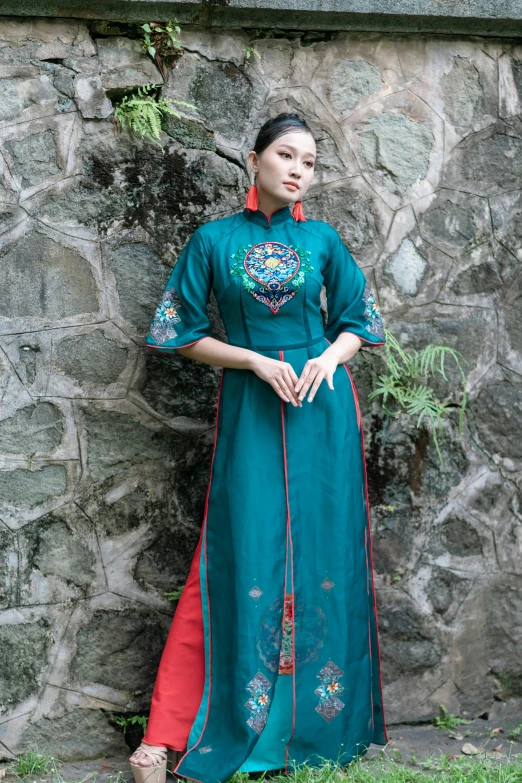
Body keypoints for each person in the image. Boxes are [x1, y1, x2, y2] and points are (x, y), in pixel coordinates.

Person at [129, 112, 389, 783]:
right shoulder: (213, 241)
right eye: (285, 154)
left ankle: (310, 724)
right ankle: (169, 734)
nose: (298, 169)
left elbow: (359, 318)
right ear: (254, 159)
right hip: (251, 410)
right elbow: (179, 332)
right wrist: (250, 359)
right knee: (235, 554)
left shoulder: (324, 241)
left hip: (321, 412)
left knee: (321, 555)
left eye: (309, 160)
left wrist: (331, 357)